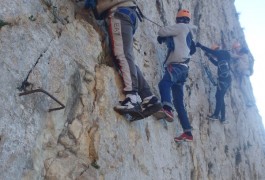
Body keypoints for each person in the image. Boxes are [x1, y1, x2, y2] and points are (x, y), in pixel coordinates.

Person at [85, 0, 162, 119]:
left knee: (122, 56)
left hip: (120, 13)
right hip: (128, 14)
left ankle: (132, 98)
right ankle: (148, 98)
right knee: (123, 59)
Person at [157, 9, 197, 142]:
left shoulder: (181, 27)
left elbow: (162, 31)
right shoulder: (189, 32)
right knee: (179, 102)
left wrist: (163, 36)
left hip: (177, 66)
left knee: (164, 83)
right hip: (184, 69)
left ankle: (167, 108)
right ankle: (188, 132)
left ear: (178, 19)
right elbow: (191, 49)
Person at [196, 43, 231, 123]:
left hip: (223, 81)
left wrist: (201, 46)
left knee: (219, 97)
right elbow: (216, 64)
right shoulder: (224, 56)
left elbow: (210, 51)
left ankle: (216, 115)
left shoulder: (219, 52)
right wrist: (209, 57)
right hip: (227, 80)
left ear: (215, 50)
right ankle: (223, 118)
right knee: (220, 97)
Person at [230, 42, 255, 107]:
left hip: (244, 73)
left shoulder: (243, 55)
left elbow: (234, 56)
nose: (236, 50)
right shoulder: (243, 55)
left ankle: (250, 101)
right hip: (243, 73)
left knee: (244, 87)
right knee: (242, 86)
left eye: (236, 49)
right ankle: (249, 101)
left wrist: (230, 52)